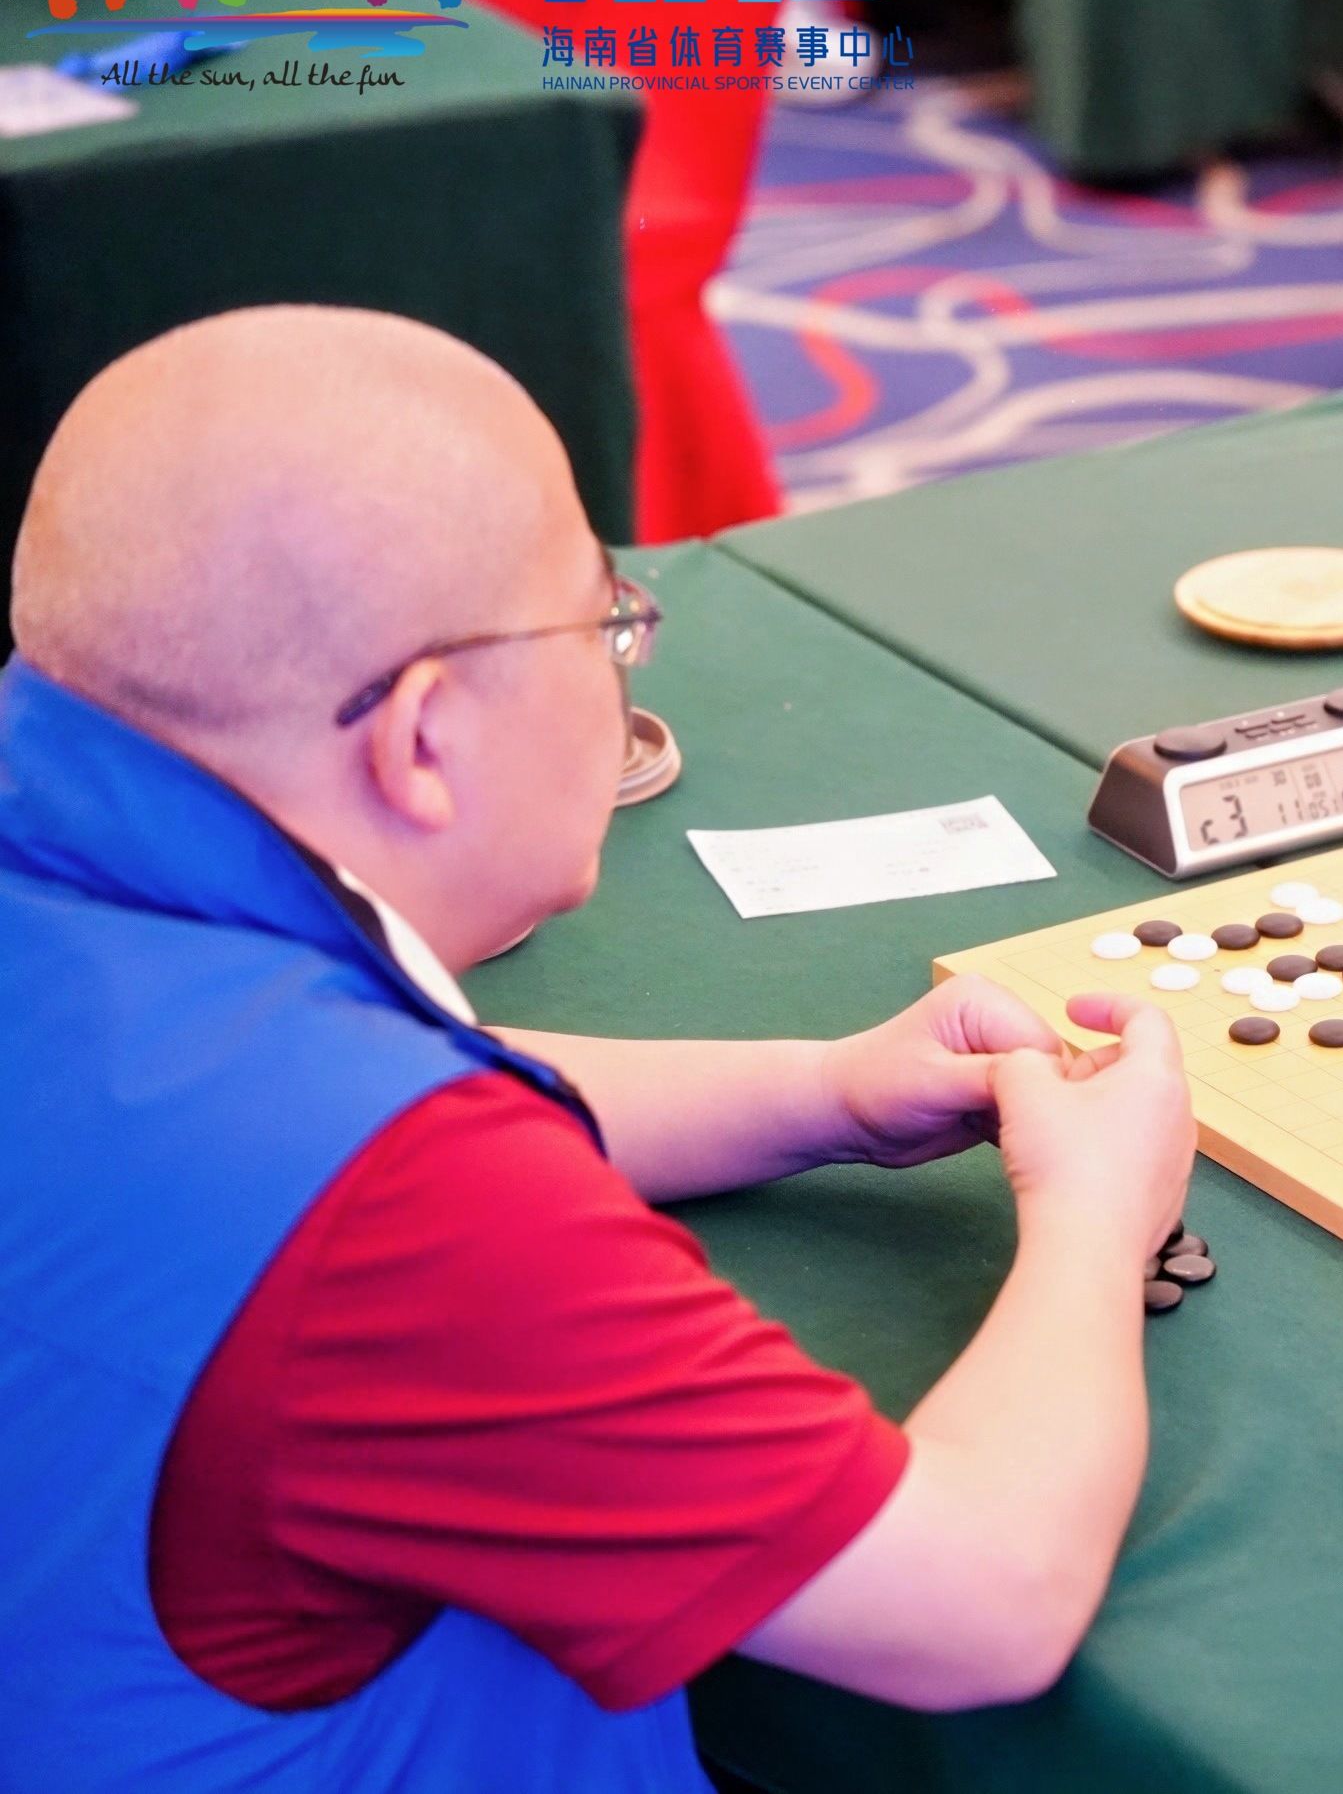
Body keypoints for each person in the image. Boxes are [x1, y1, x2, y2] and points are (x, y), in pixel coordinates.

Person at [0, 307, 1199, 1791]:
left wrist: (824, 1092)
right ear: (422, 740)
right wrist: (1096, 1212)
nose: (625, 669)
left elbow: (369, 1067)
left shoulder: (92, 857)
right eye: (606, 626)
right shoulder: (397, 1204)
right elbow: (982, 1599)